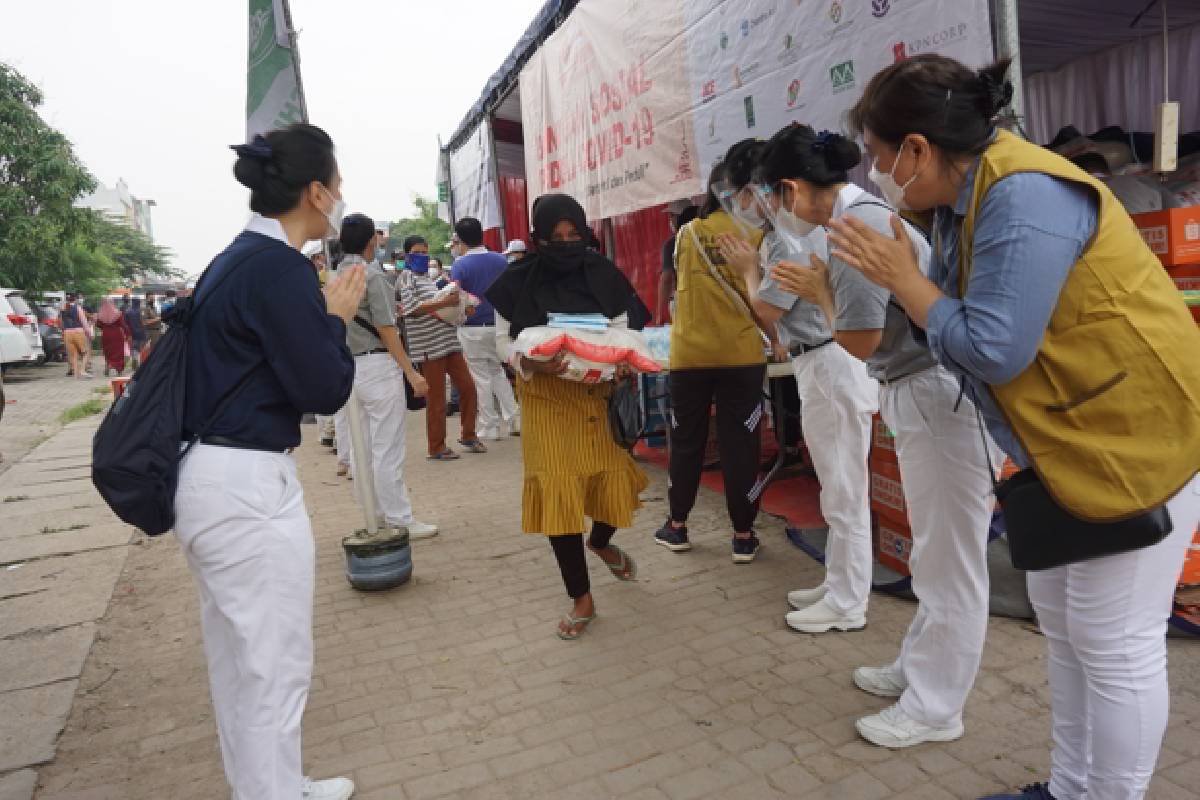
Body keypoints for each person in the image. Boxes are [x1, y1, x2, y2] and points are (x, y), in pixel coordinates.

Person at [832, 55, 1200, 800]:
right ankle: (1069, 788)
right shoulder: (973, 199)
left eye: (878, 158)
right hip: (1073, 444)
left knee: (1116, 644)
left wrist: (908, 283)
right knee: (1066, 629)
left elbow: (996, 348)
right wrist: (913, 281)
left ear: (918, 151)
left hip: (1134, 439)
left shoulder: (1022, 193)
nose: (876, 176)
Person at [754, 123, 1002, 748]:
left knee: (950, 561)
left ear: (789, 189)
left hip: (935, 391)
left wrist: (820, 293)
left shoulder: (853, 227)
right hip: (922, 389)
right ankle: (920, 668)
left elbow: (859, 340)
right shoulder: (856, 218)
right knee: (933, 552)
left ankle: (936, 707)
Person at [174, 123, 365, 800]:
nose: (340, 197)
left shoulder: (233, 259)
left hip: (210, 480)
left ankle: (275, 786)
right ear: (315, 192)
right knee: (275, 665)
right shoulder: (279, 268)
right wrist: (335, 318)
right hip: (245, 487)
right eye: (337, 186)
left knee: (242, 663)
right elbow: (321, 388)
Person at [486, 193, 648, 639]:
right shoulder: (517, 280)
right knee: (559, 498)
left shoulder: (602, 274)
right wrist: (529, 363)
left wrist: (610, 361)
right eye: (554, 237)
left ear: (585, 233)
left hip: (596, 398)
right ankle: (582, 598)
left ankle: (600, 541)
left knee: (613, 481)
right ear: (538, 237)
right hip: (545, 400)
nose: (565, 243)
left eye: (573, 234)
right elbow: (501, 340)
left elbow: (621, 327)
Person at [653, 150, 768, 564]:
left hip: (689, 358)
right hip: (741, 356)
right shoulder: (756, 234)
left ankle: (677, 526)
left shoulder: (685, 235)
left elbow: (676, 288)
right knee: (743, 444)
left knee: (686, 442)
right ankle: (743, 534)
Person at [337, 214, 437, 539]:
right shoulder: (372, 276)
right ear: (372, 242)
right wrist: (411, 373)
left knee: (361, 448)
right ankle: (400, 518)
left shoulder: (336, 274)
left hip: (350, 368)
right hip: (378, 367)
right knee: (387, 448)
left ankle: (374, 515)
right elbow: (386, 328)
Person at [396, 234, 484, 460]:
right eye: (418, 252)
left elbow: (443, 312)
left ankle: (468, 434)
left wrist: (462, 309)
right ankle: (436, 447)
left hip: (448, 342)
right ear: (407, 255)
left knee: (468, 388)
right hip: (428, 346)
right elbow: (411, 309)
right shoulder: (406, 278)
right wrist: (445, 302)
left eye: (426, 252)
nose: (423, 256)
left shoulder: (429, 279)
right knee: (436, 400)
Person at [450, 217, 520, 440]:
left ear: (460, 240)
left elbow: (455, 297)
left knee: (481, 378)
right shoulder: (501, 260)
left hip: (472, 328)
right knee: (498, 372)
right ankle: (514, 419)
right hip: (499, 326)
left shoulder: (460, 265)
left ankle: (489, 426)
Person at [655, 203, 699, 325]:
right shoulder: (707, 236)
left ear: (681, 217)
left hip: (684, 300)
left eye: (672, 216)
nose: (670, 220)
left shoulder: (672, 244)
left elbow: (666, 279)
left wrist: (660, 312)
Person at [95, 298, 131, 377]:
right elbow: (123, 325)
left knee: (108, 352)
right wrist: (128, 333)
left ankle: (108, 365)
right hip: (117, 335)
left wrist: (105, 327)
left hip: (106, 335)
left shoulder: (100, 314)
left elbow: (98, 325)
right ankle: (119, 370)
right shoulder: (118, 313)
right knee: (118, 352)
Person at [61, 292, 92, 379]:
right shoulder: (78, 308)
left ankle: (76, 374)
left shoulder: (63, 309)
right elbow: (84, 322)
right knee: (85, 352)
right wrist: (89, 333)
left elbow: (60, 322)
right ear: (75, 299)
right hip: (78, 332)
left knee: (73, 354)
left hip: (67, 333)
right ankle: (82, 370)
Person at [124, 298, 147, 370]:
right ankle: (137, 361)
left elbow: (125, 323)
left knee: (133, 347)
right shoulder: (141, 311)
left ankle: (135, 359)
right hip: (140, 332)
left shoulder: (127, 311)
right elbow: (143, 322)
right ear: (139, 303)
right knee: (140, 347)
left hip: (131, 332)